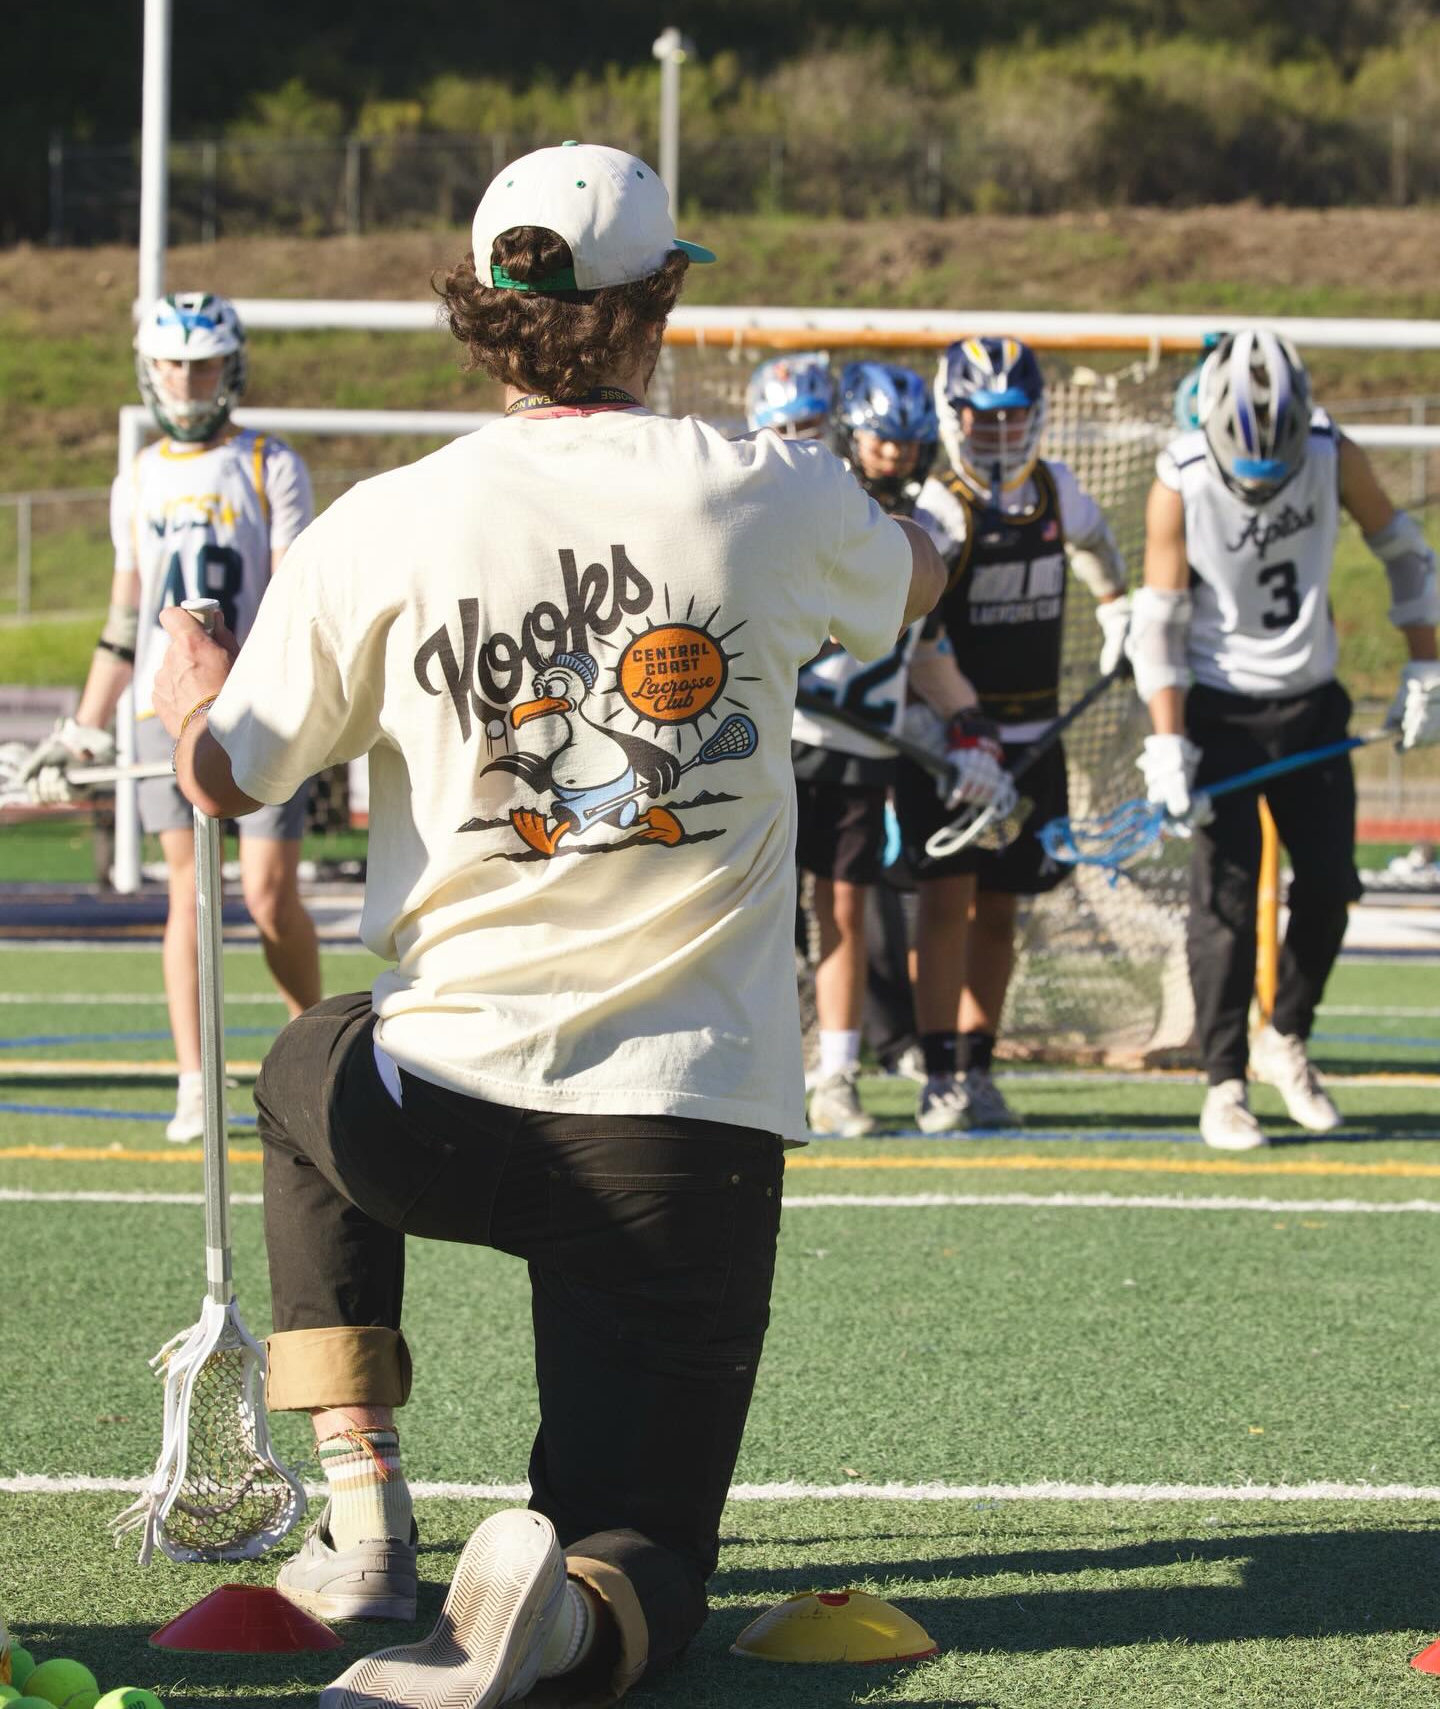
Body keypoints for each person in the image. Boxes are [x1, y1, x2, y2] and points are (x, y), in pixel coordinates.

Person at [152, 142, 944, 1709]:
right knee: (640, 1548)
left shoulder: (380, 523)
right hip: (682, 1128)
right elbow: (910, 586)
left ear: (482, 316)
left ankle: (363, 1510)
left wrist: (187, 679)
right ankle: (564, 1612)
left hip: (434, 1099)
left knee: (306, 1067)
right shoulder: (765, 491)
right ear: (659, 304)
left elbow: (227, 777)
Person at [21, 292, 320, 1143]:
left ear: (232, 365)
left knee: (267, 896)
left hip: (259, 697)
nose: (187, 381)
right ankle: (196, 1079)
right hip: (168, 705)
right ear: (148, 370)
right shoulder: (141, 475)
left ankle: (321, 1045)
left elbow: (295, 592)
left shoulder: (269, 462)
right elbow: (127, 617)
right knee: (188, 892)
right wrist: (84, 723)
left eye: (203, 363)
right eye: (171, 364)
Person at [1131, 328, 1440, 1150]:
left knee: (1334, 885)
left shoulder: (1334, 451)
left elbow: (1406, 553)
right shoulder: (1183, 475)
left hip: (1311, 705)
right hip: (1220, 711)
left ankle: (1285, 1039)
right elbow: (1157, 622)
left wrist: (1424, 670)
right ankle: (1224, 1081)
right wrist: (1167, 742)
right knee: (1225, 907)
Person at [893, 336, 1131, 1133]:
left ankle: (979, 1067)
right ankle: (936, 1075)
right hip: (953, 741)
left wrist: (1117, 607)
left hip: (1037, 733)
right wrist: (965, 730)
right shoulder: (940, 505)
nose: (998, 435)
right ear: (952, 414)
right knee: (946, 903)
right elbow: (916, 634)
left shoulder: (1058, 489)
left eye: (1014, 418)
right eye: (981, 419)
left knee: (1004, 907)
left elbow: (1099, 546)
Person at [769, 361, 999, 1137]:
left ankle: (835, 1073)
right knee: (755, 904)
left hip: (861, 752)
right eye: (880, 440)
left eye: (906, 443)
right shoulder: (816, 503)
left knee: (845, 906)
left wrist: (969, 727)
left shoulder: (920, 533)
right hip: (782, 739)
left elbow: (926, 650)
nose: (894, 456)